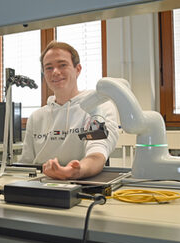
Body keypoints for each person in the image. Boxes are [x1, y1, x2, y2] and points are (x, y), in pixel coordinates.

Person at [18, 41, 119, 180]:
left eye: (62, 65)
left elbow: (97, 154)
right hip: (39, 184)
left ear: (78, 69)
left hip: (80, 183)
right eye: (48, 67)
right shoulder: (36, 117)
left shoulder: (97, 107)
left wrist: (76, 171)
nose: (55, 72)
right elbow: (26, 164)